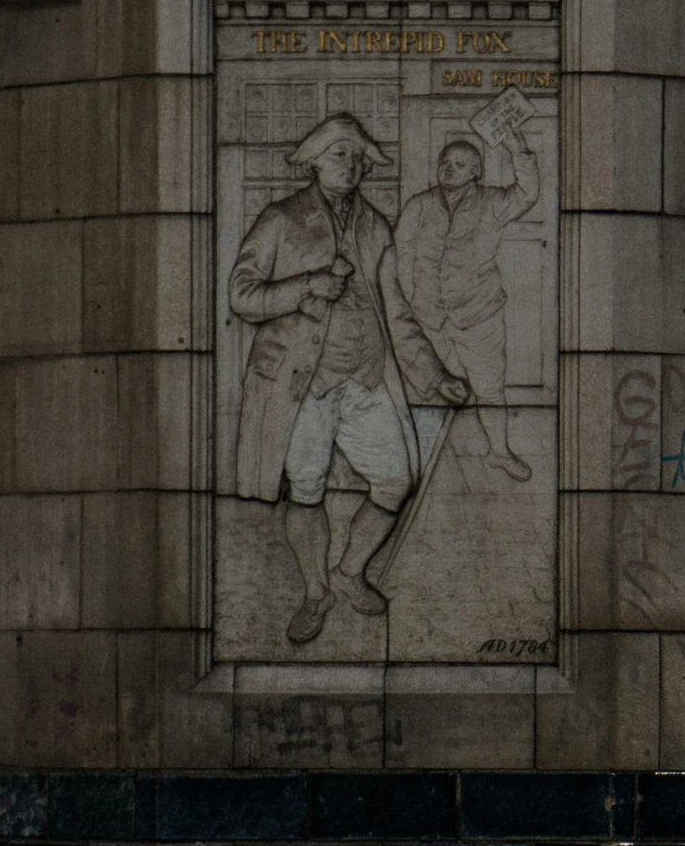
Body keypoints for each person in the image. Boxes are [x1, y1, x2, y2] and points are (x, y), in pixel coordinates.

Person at [228, 114, 469, 645]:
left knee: (395, 480)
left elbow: (398, 311)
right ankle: (315, 592)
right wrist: (307, 284)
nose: (353, 165)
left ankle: (349, 572)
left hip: (365, 379)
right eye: (341, 154)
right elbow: (241, 295)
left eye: (360, 157)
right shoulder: (280, 219)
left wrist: (433, 376)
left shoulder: (376, 225)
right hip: (302, 385)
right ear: (314, 160)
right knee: (307, 489)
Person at [393, 125, 540, 480]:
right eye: (444, 162)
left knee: (489, 387)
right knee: (426, 384)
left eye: (459, 164)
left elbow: (528, 193)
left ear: (476, 171)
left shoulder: (493, 201)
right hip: (428, 317)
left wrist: (518, 151)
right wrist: (410, 302)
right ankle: (417, 462)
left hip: (479, 314)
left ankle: (499, 453)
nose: (448, 168)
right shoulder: (419, 205)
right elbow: (401, 255)